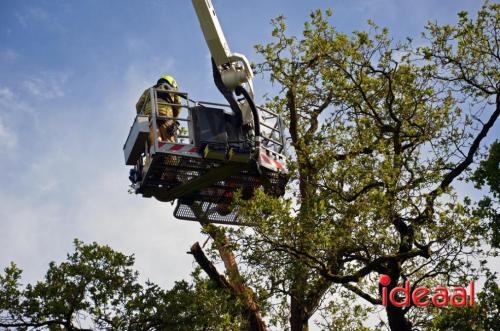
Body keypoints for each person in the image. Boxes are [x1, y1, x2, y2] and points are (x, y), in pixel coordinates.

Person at [136, 75, 181, 146]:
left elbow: (138, 106)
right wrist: (174, 120)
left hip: (149, 115)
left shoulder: (148, 90)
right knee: (169, 141)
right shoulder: (172, 90)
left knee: (155, 138)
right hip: (165, 114)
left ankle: (156, 148)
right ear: (172, 83)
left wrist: (143, 116)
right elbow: (178, 106)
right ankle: (170, 156)